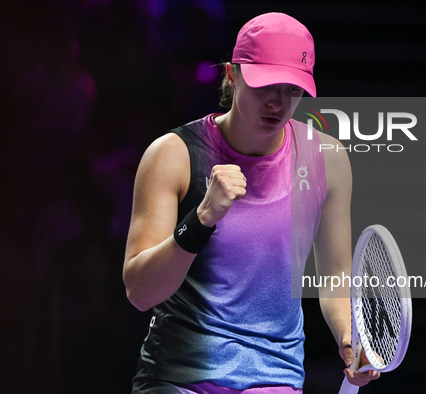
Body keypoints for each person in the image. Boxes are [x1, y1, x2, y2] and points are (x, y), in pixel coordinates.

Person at [123, 12, 379, 393]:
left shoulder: (328, 159)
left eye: (291, 89)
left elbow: (335, 277)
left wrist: (348, 338)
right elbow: (140, 293)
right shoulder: (173, 156)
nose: (277, 102)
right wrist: (202, 218)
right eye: (265, 85)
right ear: (232, 74)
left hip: (274, 380)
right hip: (179, 379)